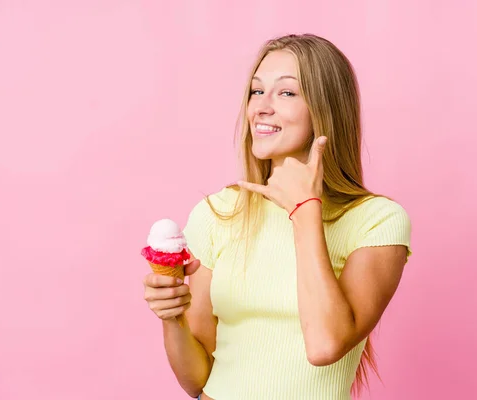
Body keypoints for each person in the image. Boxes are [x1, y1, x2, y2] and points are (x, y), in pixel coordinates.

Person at [142, 33, 412, 399]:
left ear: (325, 109)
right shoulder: (217, 213)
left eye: (286, 93)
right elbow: (197, 379)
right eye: (256, 91)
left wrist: (304, 209)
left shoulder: (377, 222)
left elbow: (325, 346)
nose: (261, 107)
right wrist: (171, 318)